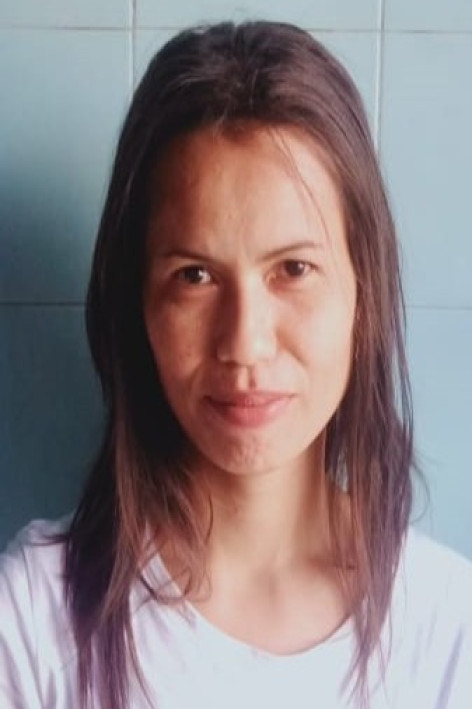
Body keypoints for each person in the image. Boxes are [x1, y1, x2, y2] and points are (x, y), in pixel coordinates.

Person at [1, 20, 471, 709]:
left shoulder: (449, 631)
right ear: (137, 304)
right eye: (195, 276)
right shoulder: (35, 619)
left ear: (362, 292)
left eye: (294, 269)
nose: (246, 344)